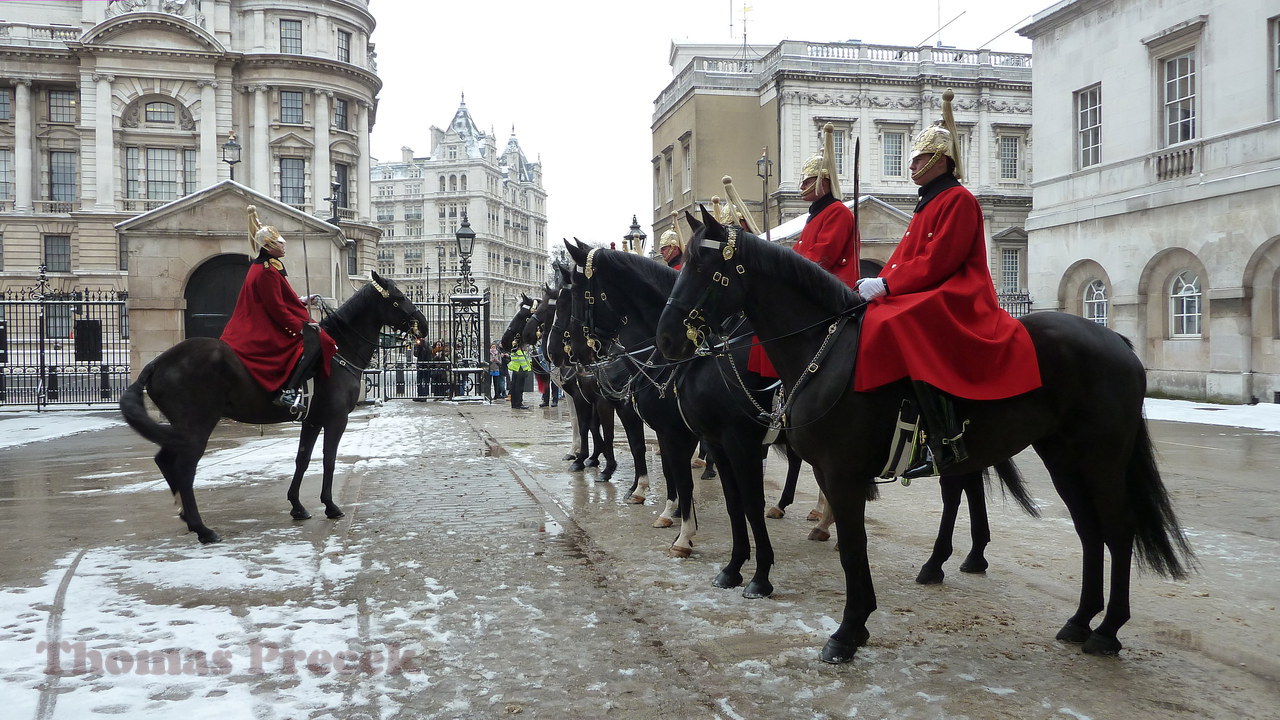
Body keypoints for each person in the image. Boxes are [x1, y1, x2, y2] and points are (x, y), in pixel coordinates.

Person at [853, 89, 1041, 477]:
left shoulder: (958, 199)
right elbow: (905, 258)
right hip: (927, 285)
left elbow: (941, 260)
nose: (912, 165)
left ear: (942, 160)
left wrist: (888, 287)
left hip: (958, 289)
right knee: (870, 317)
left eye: (920, 158)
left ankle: (943, 436)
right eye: (913, 158)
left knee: (897, 321)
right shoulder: (928, 201)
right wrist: (880, 280)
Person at [748, 122, 861, 378]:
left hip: (828, 289)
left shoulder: (838, 213)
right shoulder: (816, 214)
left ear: (824, 180)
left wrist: (783, 271)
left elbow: (822, 257)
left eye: (807, 180)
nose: (801, 185)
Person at [220, 205, 336, 415]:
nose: (284, 246)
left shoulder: (267, 267)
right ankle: (288, 392)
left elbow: (280, 298)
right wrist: (302, 328)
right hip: (262, 326)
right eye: (280, 243)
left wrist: (302, 300)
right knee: (316, 342)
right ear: (268, 246)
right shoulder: (266, 272)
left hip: (261, 320)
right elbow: (276, 310)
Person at [507, 343, 533, 410]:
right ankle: (518, 403)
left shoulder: (514, 350)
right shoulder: (519, 352)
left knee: (514, 387)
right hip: (520, 370)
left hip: (516, 369)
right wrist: (526, 369)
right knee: (519, 388)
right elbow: (523, 361)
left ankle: (514, 403)